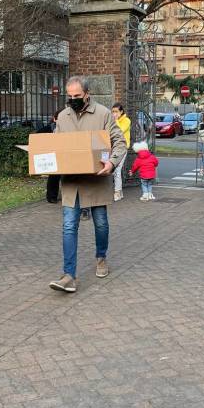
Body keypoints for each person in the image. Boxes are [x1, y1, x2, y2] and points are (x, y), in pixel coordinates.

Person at [49, 76, 127, 294]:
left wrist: (112, 162)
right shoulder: (63, 117)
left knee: (100, 223)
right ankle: (68, 275)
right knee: (68, 226)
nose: (73, 100)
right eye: (70, 96)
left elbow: (120, 142)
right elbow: (57, 146)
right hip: (72, 182)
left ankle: (101, 257)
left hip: (97, 179)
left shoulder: (102, 114)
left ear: (87, 94)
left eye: (77, 96)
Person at [39, 111, 61, 203]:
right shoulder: (49, 128)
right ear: (55, 119)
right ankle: (51, 196)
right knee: (54, 176)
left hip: (63, 154)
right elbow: (37, 137)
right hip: (53, 155)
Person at [111, 103, 131, 201]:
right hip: (114, 148)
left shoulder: (126, 121)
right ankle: (119, 192)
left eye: (116, 112)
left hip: (122, 148)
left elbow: (120, 130)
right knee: (113, 170)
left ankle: (117, 192)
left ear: (121, 112)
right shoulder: (113, 121)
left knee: (117, 170)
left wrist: (115, 121)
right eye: (113, 112)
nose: (114, 114)